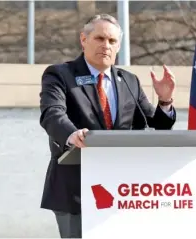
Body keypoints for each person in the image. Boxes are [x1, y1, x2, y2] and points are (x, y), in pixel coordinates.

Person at [39, 14, 176, 238]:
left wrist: (165, 101)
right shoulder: (60, 75)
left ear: (119, 46)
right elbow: (52, 114)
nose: (106, 45)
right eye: (100, 38)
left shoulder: (129, 80)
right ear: (84, 40)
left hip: (121, 188)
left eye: (112, 41)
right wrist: (72, 134)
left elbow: (157, 123)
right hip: (75, 188)